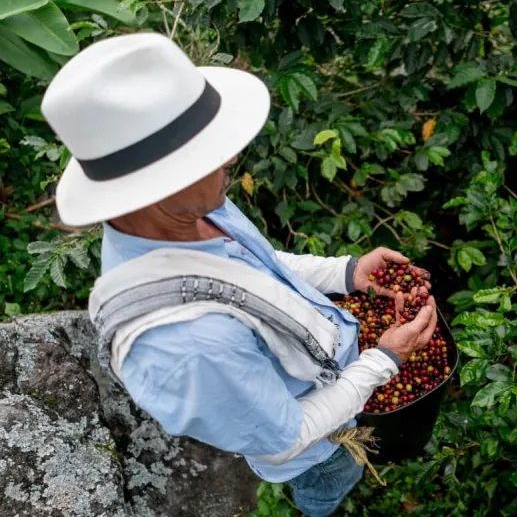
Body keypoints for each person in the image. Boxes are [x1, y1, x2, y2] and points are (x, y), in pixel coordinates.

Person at [40, 32, 438, 516]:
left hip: (340, 377)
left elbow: (258, 263)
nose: (230, 159)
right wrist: (384, 361)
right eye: (211, 153)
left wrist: (347, 273)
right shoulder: (188, 346)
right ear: (154, 186)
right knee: (327, 483)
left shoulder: (187, 212)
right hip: (316, 447)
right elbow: (284, 438)